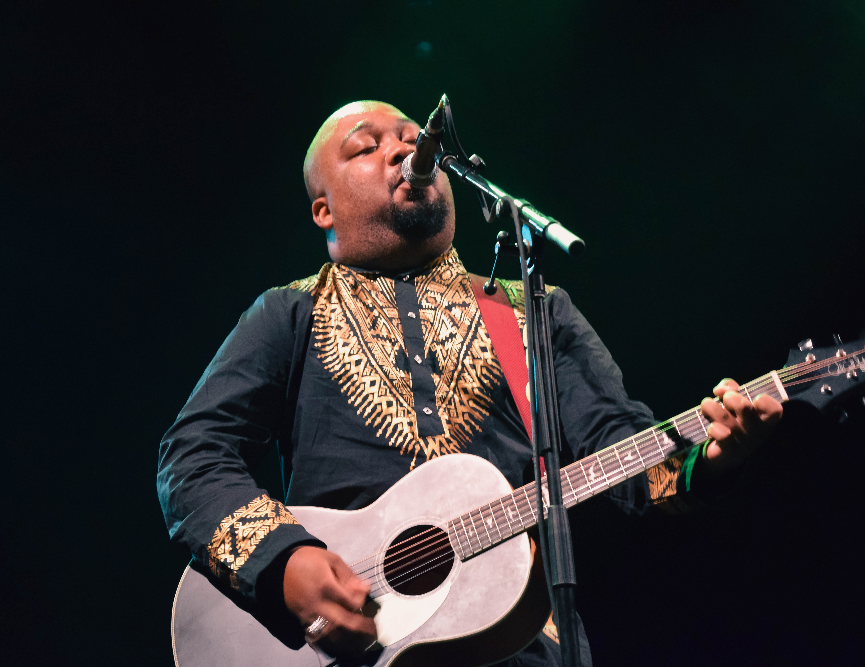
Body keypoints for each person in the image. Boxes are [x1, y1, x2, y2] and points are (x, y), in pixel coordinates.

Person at [156, 101, 783, 666]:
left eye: (409, 138)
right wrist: (285, 562)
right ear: (324, 208)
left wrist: (712, 457)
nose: (402, 149)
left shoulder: (534, 311)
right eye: (366, 146)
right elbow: (192, 457)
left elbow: (624, 455)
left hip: (518, 646)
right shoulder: (290, 312)